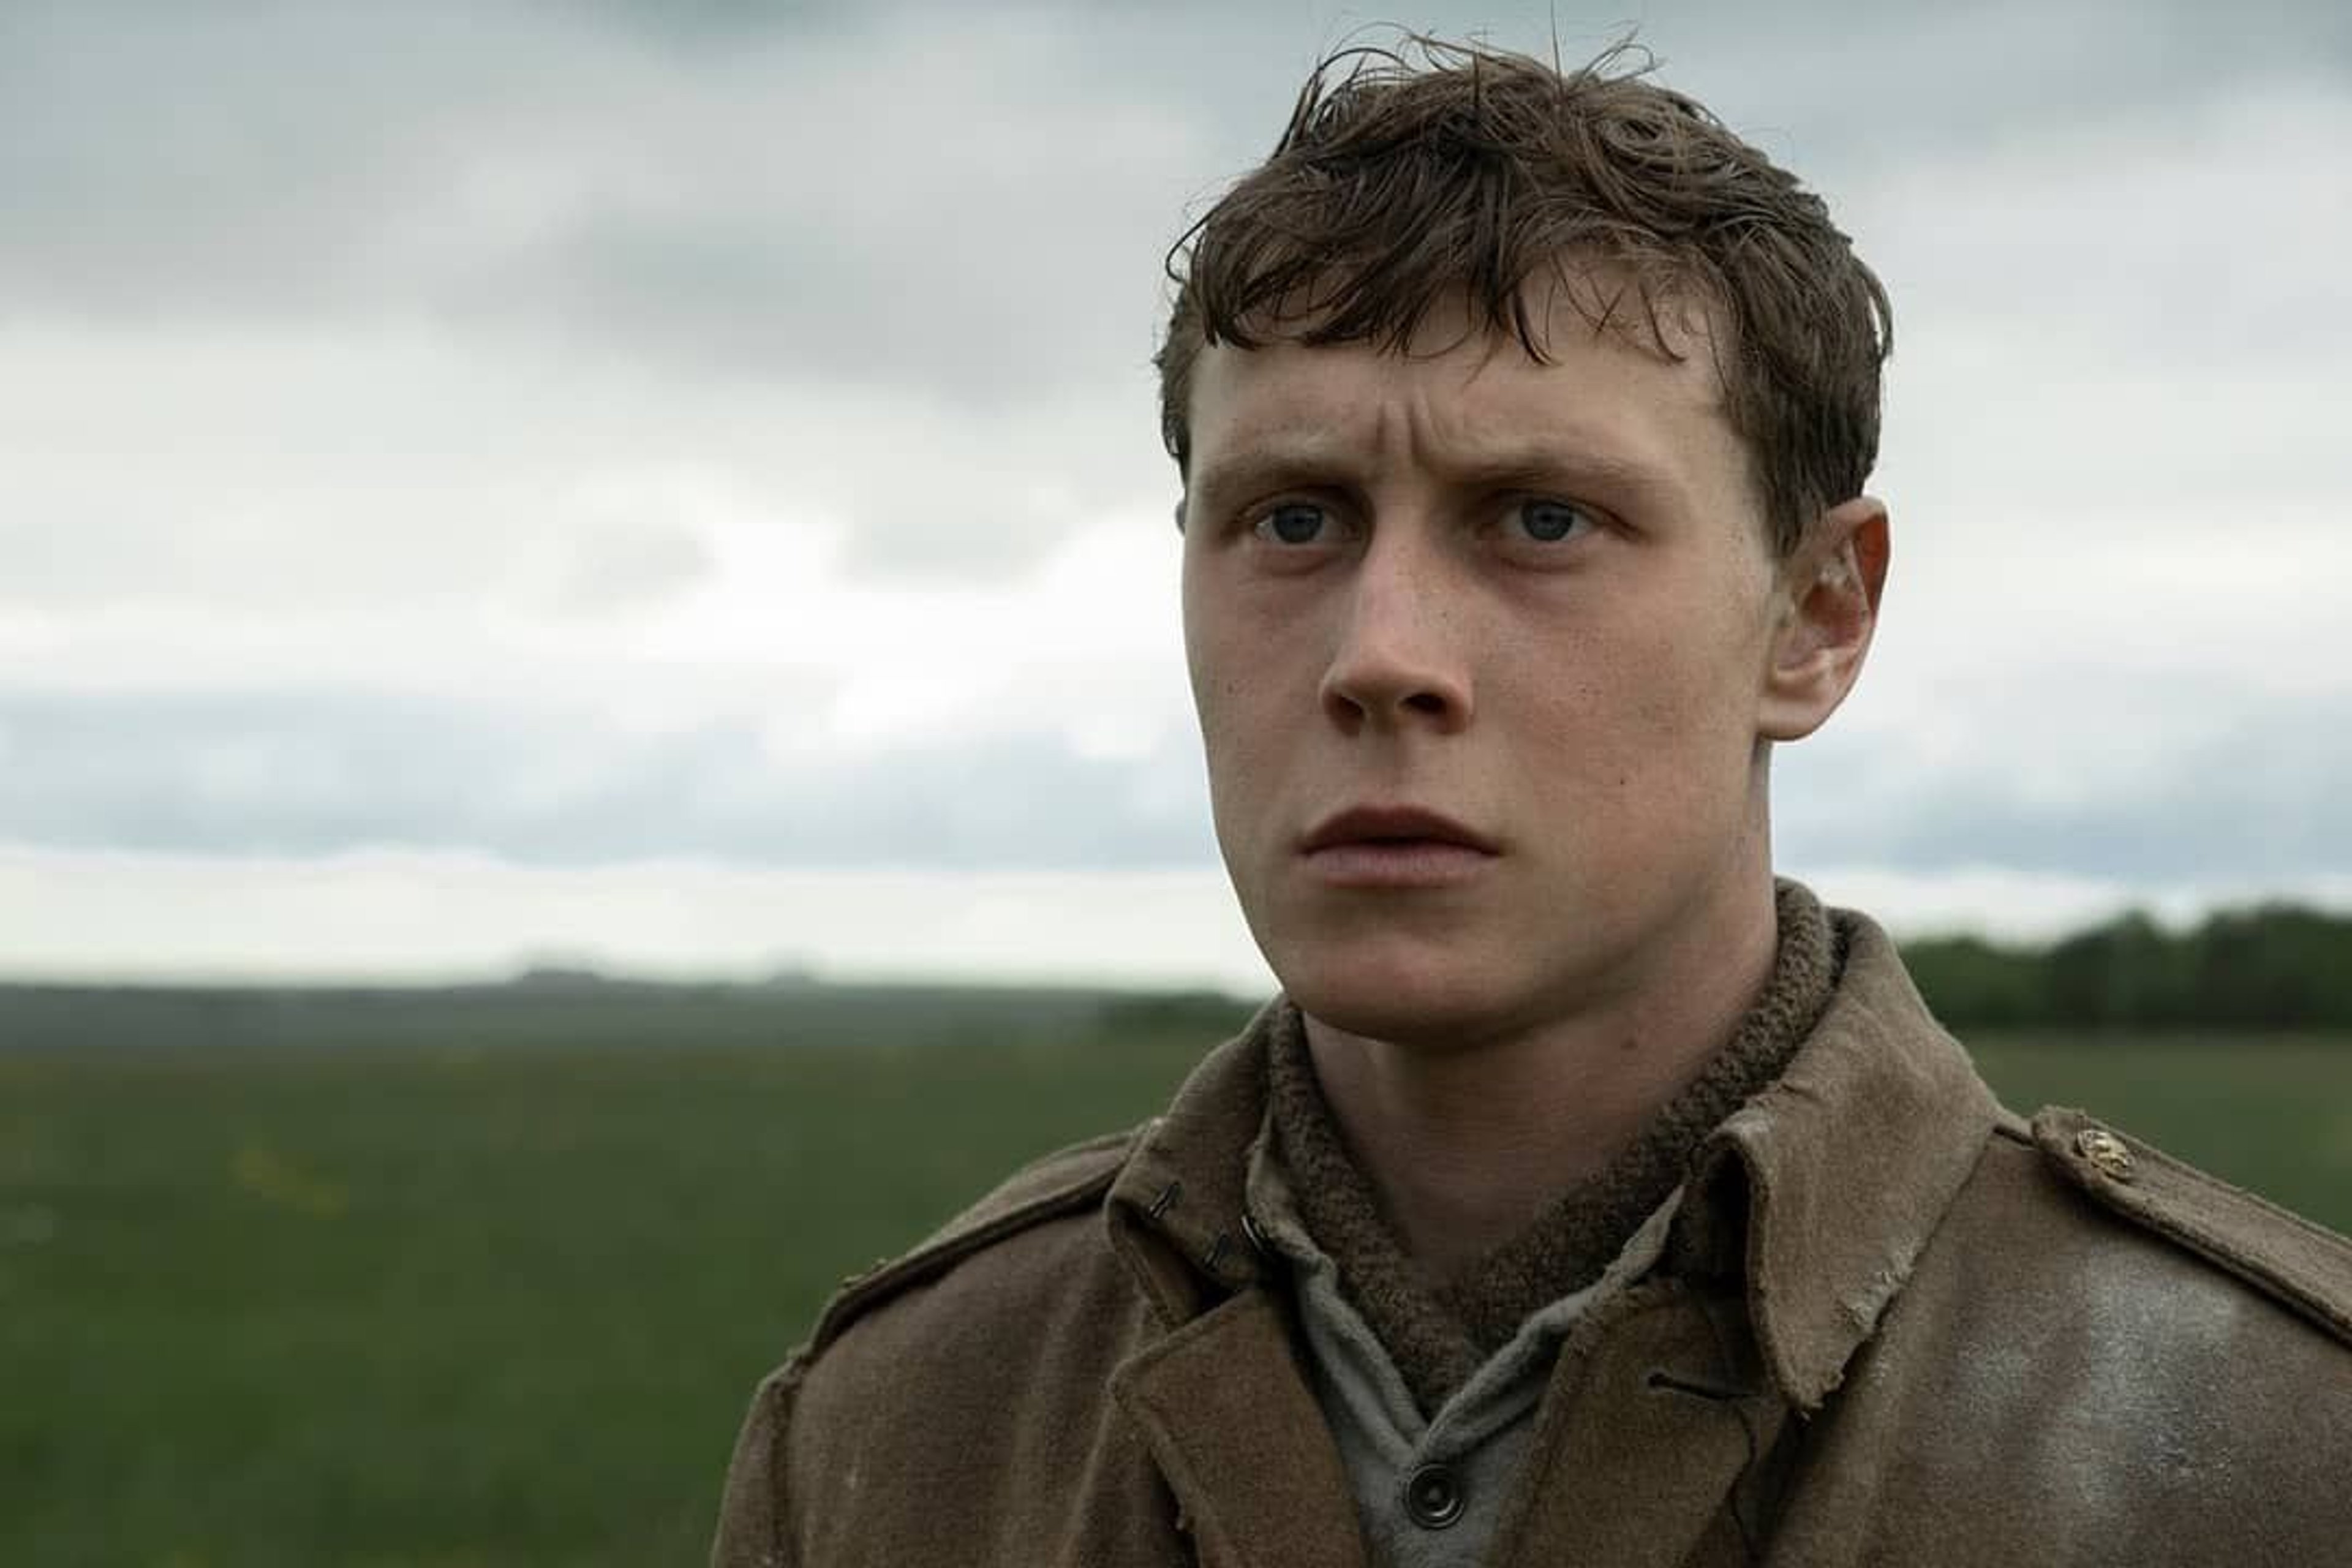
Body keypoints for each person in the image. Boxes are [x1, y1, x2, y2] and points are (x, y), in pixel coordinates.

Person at [712, 36, 2352, 1567]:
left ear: (1816, 615)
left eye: (1542, 519)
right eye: (1294, 520)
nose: (1381, 656)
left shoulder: (2279, 1446)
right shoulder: (901, 1429)